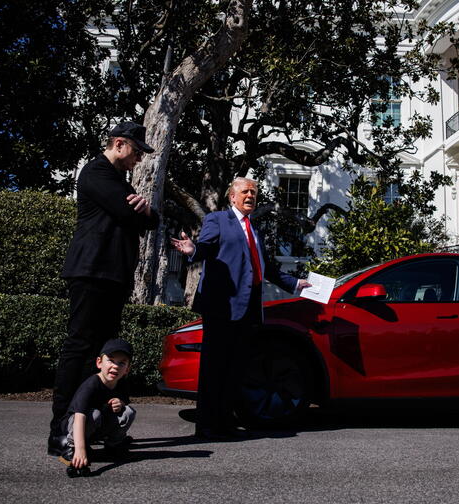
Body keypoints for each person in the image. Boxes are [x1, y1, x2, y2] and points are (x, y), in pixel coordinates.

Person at [48, 121, 158, 456]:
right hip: (91, 271)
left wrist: (147, 211)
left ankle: (92, 427)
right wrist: (143, 212)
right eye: (137, 151)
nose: (139, 159)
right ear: (120, 144)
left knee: (101, 353)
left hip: (113, 275)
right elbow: (131, 216)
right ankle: (59, 432)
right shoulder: (95, 173)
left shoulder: (119, 181)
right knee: (79, 347)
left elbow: (150, 220)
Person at [170, 177, 311, 439]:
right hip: (223, 306)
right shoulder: (218, 220)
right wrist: (192, 250)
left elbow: (266, 267)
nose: (250, 196)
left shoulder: (253, 229)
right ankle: (207, 425)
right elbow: (206, 247)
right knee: (215, 367)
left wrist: (296, 283)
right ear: (232, 197)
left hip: (247, 309)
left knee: (236, 367)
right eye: (245, 191)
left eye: (254, 193)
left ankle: (225, 422)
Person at [57, 338, 137, 476]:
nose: (116, 366)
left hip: (98, 426)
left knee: (128, 412)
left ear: (127, 369)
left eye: (122, 363)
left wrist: (120, 403)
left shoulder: (121, 383)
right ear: (99, 362)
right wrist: (80, 449)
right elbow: (79, 416)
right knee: (94, 414)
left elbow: (124, 403)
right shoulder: (91, 385)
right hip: (77, 425)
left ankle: (113, 446)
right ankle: (71, 448)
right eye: (111, 360)